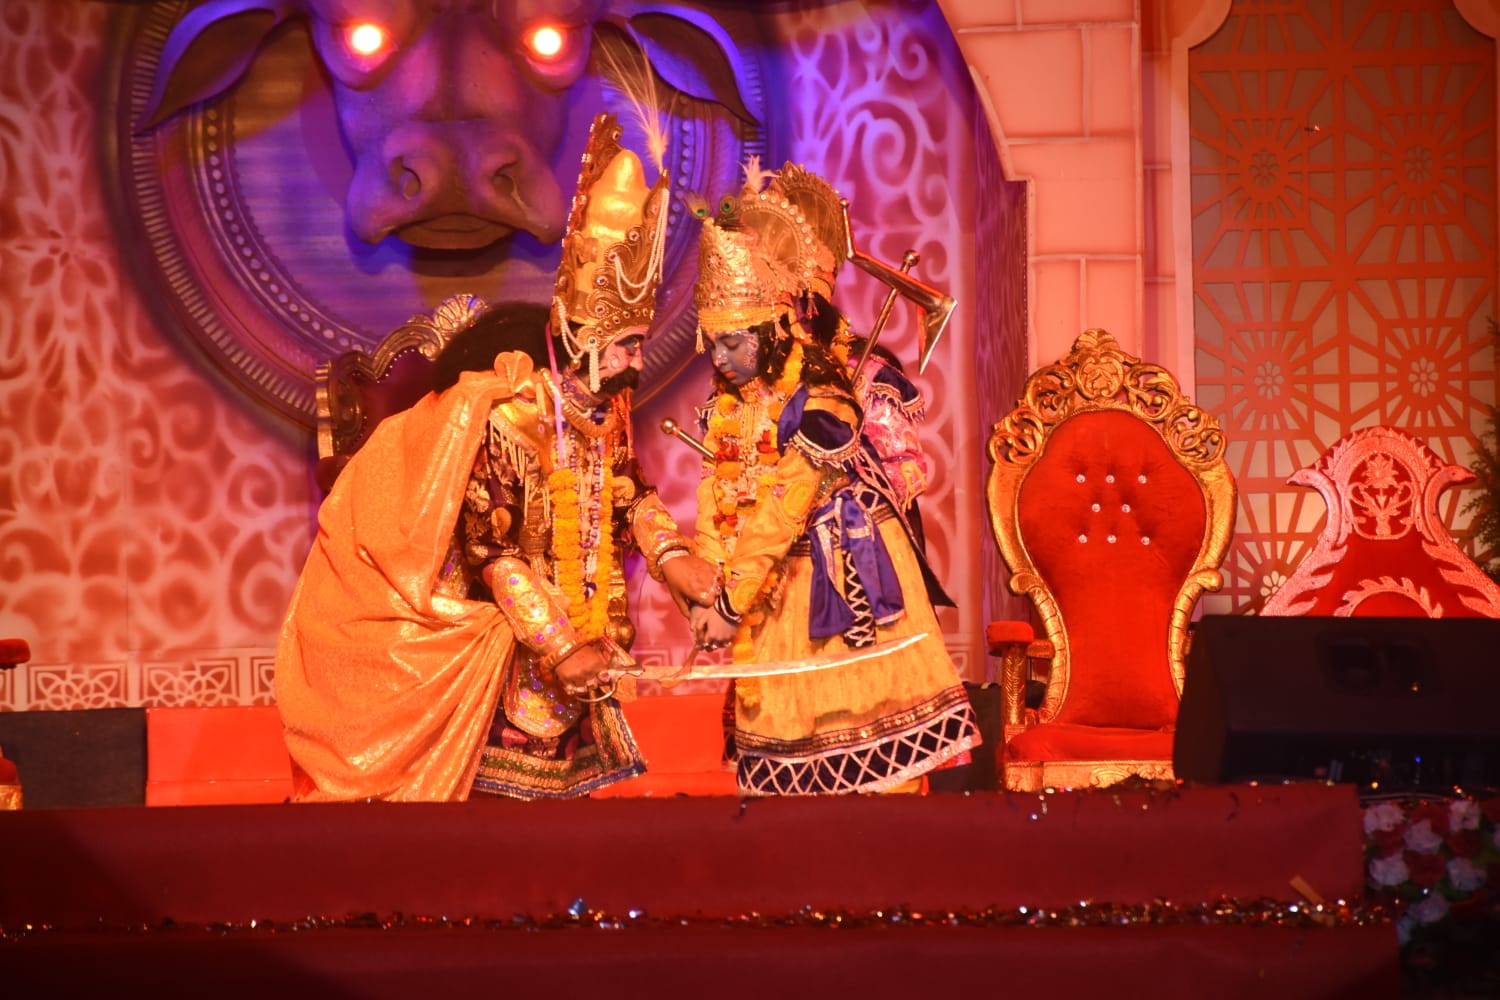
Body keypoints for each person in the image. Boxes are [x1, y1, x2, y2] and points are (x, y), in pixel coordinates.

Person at [275, 113, 718, 801]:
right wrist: (560, 644)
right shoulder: (510, 423)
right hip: (497, 650)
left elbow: (629, 495)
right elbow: (495, 555)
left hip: (578, 639)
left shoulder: (605, 416)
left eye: (637, 343)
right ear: (577, 340)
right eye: (624, 348)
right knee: (504, 823)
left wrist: (675, 560)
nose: (637, 361)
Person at [686, 163, 979, 796]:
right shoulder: (730, 402)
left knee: (871, 768)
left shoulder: (827, 393)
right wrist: (704, 591)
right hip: (765, 583)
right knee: (782, 780)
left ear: (777, 324)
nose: (719, 358)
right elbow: (718, 492)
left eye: (732, 342)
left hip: (842, 567)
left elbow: (787, 501)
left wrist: (729, 603)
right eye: (711, 343)